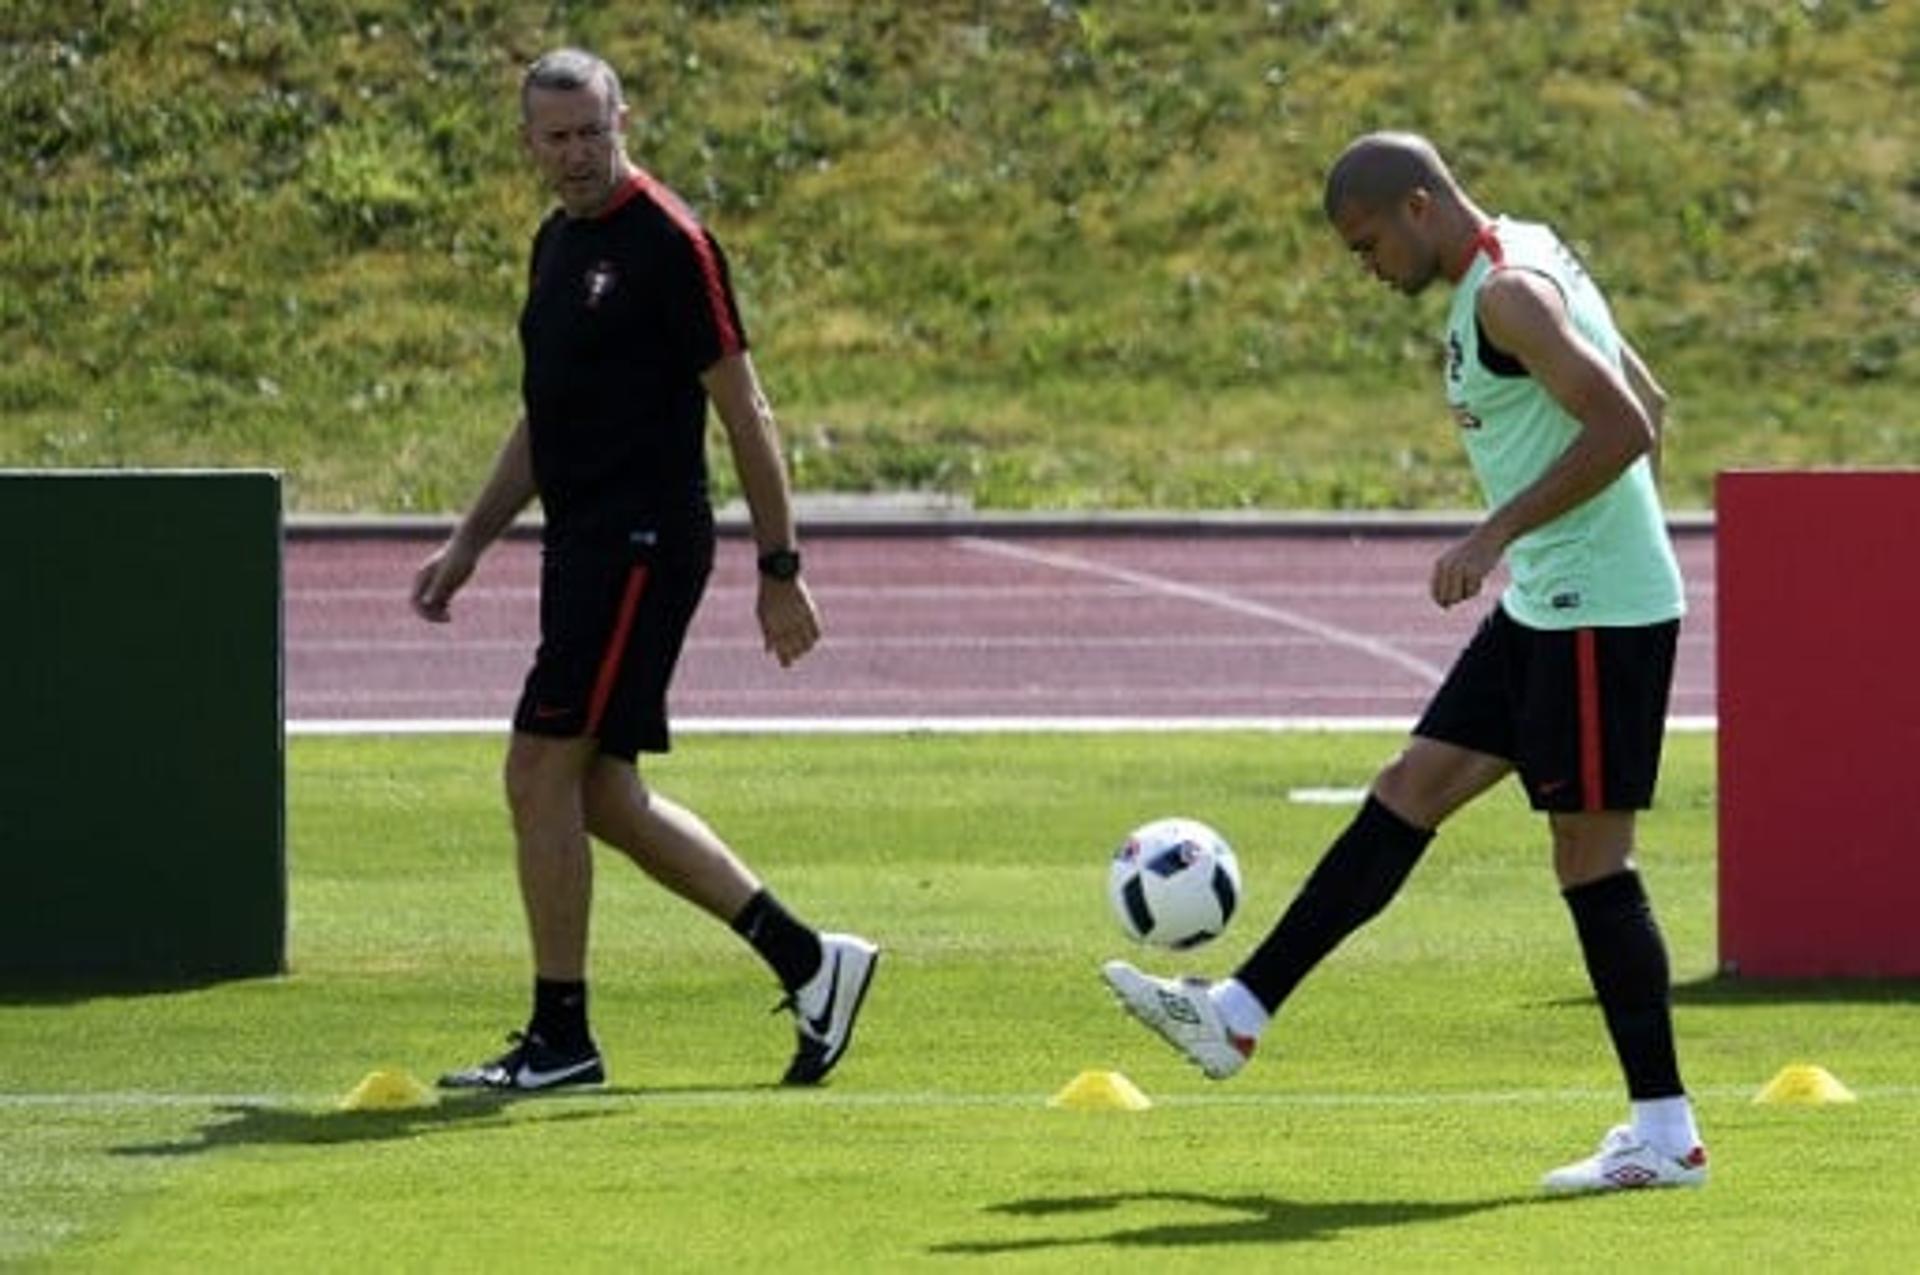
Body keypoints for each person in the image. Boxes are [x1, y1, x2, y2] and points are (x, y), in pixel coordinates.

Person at [1102, 132, 1705, 1194]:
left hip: (1597, 611)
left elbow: (1621, 427)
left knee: (1591, 858)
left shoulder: (1508, 294)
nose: (1366, 267)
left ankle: (1667, 1134)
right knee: (1410, 789)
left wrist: (1494, 534)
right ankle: (1234, 1017)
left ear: (1419, 207)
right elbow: (1648, 405)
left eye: (1368, 242)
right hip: (1551, 604)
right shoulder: (1527, 250)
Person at [411, 47, 877, 1091]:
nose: (577, 154)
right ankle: (814, 963)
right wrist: (471, 540)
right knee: (603, 797)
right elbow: (547, 419)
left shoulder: (670, 241)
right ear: (527, 141)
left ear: (625, 120)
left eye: (593, 131)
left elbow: (745, 408)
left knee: (537, 771)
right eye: (557, 136)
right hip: (582, 546)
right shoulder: (554, 245)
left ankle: (562, 1038)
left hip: (640, 546)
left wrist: (781, 564)